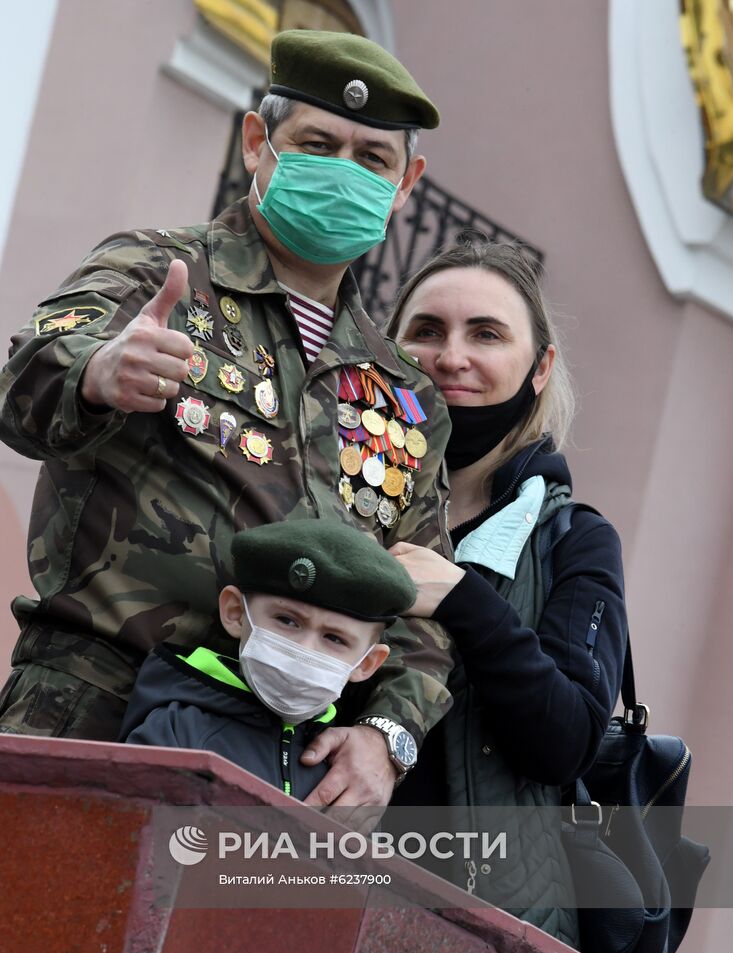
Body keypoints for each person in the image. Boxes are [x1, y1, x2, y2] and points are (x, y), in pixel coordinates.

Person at [0, 29, 454, 809]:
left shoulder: (402, 392)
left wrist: (388, 739)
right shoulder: (156, 268)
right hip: (95, 707)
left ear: (405, 184)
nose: (344, 172)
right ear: (257, 142)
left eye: (372, 159)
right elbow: (20, 390)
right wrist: (98, 374)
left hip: (276, 762)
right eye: (318, 143)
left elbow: (422, 599)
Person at [387, 240, 628, 945]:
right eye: (425, 331)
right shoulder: (333, 494)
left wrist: (463, 601)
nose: (450, 356)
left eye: (485, 334)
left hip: (470, 926)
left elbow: (566, 739)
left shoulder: (573, 540)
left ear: (539, 366)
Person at [121, 519, 418, 799]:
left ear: (366, 664)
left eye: (334, 638)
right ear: (236, 613)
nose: (305, 650)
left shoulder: (344, 772)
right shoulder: (178, 730)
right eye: (287, 621)